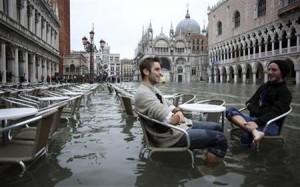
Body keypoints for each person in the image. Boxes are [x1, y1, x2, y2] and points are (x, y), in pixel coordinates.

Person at [134, 56, 228, 165]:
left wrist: (177, 110)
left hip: (178, 127)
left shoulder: (151, 89)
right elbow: (171, 121)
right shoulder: (144, 94)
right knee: (220, 139)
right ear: (146, 71)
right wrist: (178, 115)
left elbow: (168, 104)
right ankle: (207, 171)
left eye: (160, 69)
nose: (161, 73)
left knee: (217, 127)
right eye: (157, 69)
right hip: (171, 136)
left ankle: (209, 152)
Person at [226, 60, 292, 146]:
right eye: (269, 69)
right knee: (230, 110)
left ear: (282, 72)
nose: (269, 72)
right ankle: (254, 131)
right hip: (253, 120)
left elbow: (275, 113)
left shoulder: (285, 93)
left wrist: (256, 121)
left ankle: (246, 156)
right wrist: (254, 116)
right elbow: (250, 101)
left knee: (246, 134)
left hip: (270, 125)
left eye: (274, 70)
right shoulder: (264, 86)